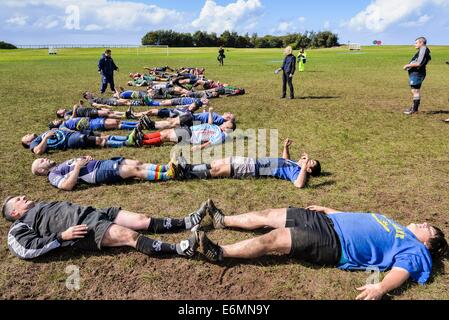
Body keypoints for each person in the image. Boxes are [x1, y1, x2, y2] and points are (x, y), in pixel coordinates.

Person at [197, 200, 448, 300]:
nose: (426, 223)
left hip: (334, 243)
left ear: (428, 244)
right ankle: (223, 220)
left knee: (275, 238)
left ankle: (220, 252)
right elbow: (363, 219)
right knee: (270, 215)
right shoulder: (398, 226)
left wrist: (380, 287)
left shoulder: (416, 250)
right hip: (329, 221)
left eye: (431, 229)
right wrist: (331, 210)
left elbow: (402, 271)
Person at [1, 195, 208, 260]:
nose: (24, 197)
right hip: (84, 228)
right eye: (19, 199)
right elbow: (26, 249)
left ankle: (187, 222)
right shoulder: (19, 226)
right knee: (130, 236)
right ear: (14, 213)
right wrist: (61, 236)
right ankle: (180, 249)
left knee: (142, 219)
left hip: (95, 211)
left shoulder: (40, 205)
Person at [177, 138, 321, 188]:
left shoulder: (297, 172)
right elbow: (284, 160)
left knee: (219, 170)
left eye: (310, 162)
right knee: (217, 162)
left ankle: (187, 174)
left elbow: (299, 185)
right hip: (252, 160)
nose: (306, 159)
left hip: (254, 168)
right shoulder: (294, 164)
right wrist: (285, 148)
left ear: (308, 170)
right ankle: (189, 167)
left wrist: (303, 168)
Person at [31, 155, 178, 190]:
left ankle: (165, 167)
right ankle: (168, 175)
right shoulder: (52, 176)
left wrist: (86, 158)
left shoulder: (58, 166)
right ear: (41, 170)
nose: (44, 158)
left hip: (100, 163)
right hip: (97, 173)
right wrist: (78, 167)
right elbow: (66, 186)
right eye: (41, 161)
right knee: (134, 170)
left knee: (137, 163)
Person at [21, 128, 140, 155]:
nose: (27, 134)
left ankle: (127, 138)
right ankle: (126, 143)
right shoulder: (34, 143)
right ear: (27, 143)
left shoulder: (41, 133)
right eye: (25, 137)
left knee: (104, 135)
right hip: (70, 140)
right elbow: (37, 152)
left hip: (72, 133)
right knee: (98, 140)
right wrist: (46, 138)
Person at [137, 120, 236, 151]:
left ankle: (142, 142)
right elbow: (209, 124)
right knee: (166, 131)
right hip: (189, 129)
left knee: (165, 137)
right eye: (225, 123)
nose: (223, 123)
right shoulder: (216, 127)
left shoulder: (221, 135)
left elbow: (211, 143)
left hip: (190, 135)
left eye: (226, 125)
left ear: (227, 129)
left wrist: (199, 147)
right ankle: (144, 137)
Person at [139, 107, 235, 131]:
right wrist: (205, 111)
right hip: (193, 117)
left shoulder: (221, 120)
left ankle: (152, 125)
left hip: (194, 120)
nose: (229, 113)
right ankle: (152, 124)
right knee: (173, 122)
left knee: (173, 124)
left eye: (230, 115)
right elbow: (206, 117)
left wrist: (209, 112)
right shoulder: (219, 116)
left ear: (228, 119)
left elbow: (210, 124)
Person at [403, 37, 431, 115]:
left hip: (417, 73)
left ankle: (414, 110)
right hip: (416, 73)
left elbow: (418, 63)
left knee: (415, 91)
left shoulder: (423, 50)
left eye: (416, 43)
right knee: (414, 90)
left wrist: (407, 65)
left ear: (421, 43)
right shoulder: (422, 50)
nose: (414, 44)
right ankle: (414, 108)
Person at [48, 117, 139, 132]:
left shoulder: (65, 120)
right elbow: (70, 131)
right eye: (54, 122)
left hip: (92, 120)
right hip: (91, 125)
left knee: (116, 120)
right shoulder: (62, 127)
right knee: (115, 123)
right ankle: (136, 126)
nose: (56, 120)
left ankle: (137, 123)